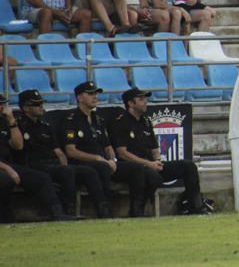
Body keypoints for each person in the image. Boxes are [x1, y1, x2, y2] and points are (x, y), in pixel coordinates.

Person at [110, 87, 211, 215]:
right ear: (131, 103)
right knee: (153, 177)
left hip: (151, 165)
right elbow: (122, 153)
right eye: (141, 99)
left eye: (145, 99)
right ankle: (137, 209)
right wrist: (148, 164)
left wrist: (157, 160)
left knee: (189, 166)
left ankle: (196, 206)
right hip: (134, 168)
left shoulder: (146, 122)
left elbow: (155, 149)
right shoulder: (120, 124)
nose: (146, 102)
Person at [16, 89, 108, 219]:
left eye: (41, 103)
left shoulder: (45, 127)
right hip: (34, 165)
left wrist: (64, 165)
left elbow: (59, 152)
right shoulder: (19, 126)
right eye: (37, 104)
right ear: (25, 108)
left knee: (88, 172)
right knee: (66, 172)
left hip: (52, 164)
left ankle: (103, 209)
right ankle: (68, 210)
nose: (41, 106)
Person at [60, 82, 148, 217]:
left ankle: (137, 209)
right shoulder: (71, 120)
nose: (95, 97)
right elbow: (71, 151)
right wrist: (98, 158)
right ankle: (104, 208)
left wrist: (112, 159)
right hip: (83, 163)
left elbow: (108, 146)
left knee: (136, 168)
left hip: (103, 162)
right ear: (80, 98)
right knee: (102, 167)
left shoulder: (98, 120)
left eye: (96, 94)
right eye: (90, 94)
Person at [0, 93, 82, 223]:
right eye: (0, 104)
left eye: (3, 104)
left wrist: (11, 123)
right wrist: (8, 169)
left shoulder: (4, 122)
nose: (2, 107)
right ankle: (5, 213)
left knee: (42, 178)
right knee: (6, 180)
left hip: (7, 162)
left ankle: (58, 213)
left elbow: (18, 146)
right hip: (4, 165)